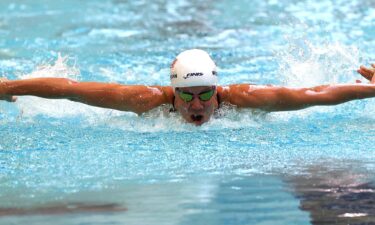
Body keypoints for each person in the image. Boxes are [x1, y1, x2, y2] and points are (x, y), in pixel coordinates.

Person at [0, 49, 374, 125]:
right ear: (173, 92)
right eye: (187, 95)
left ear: (217, 89)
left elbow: (315, 94)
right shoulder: (146, 101)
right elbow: (71, 88)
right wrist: (9, 86)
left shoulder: (244, 100)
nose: (197, 104)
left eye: (206, 94)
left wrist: (371, 90)